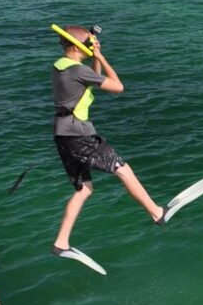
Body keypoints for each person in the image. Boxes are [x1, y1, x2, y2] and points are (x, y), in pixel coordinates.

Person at [50, 25, 169, 259]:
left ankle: (61, 241)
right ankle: (157, 213)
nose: (91, 46)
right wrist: (101, 57)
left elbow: (92, 80)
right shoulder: (76, 70)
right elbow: (117, 86)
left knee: (84, 189)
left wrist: (93, 57)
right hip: (78, 134)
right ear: (76, 47)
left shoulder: (61, 67)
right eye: (88, 43)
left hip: (62, 135)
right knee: (122, 169)